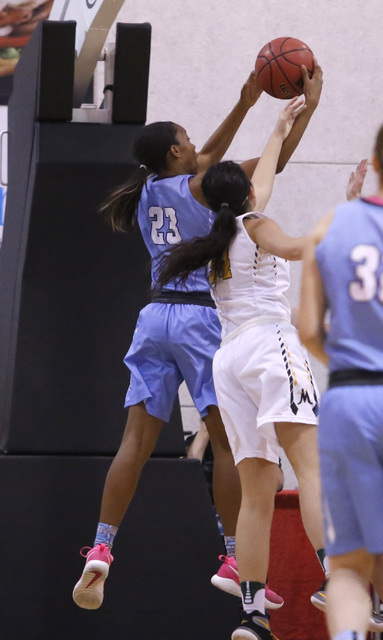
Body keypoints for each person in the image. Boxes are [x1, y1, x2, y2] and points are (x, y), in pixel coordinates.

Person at [72, 61, 323, 612]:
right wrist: (270, 106)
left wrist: (249, 101)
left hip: (152, 319)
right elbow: (266, 161)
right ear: (175, 156)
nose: (194, 144)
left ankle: (102, 547)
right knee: (231, 446)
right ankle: (234, 555)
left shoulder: (144, 195)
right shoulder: (203, 188)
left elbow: (212, 156)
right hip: (200, 321)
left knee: (134, 444)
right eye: (185, 140)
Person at [157, 95, 329, 640]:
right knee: (313, 471)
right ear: (248, 194)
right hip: (269, 347)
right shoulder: (257, 225)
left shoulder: (212, 238)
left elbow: (265, 181)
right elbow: (294, 246)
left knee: (258, 492)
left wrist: (279, 128)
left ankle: (253, 615)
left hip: (228, 363)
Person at [298, 125, 383, 640]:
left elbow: (308, 329)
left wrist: (354, 363)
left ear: (374, 160)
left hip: (350, 398)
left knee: (349, 565)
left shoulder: (330, 226)